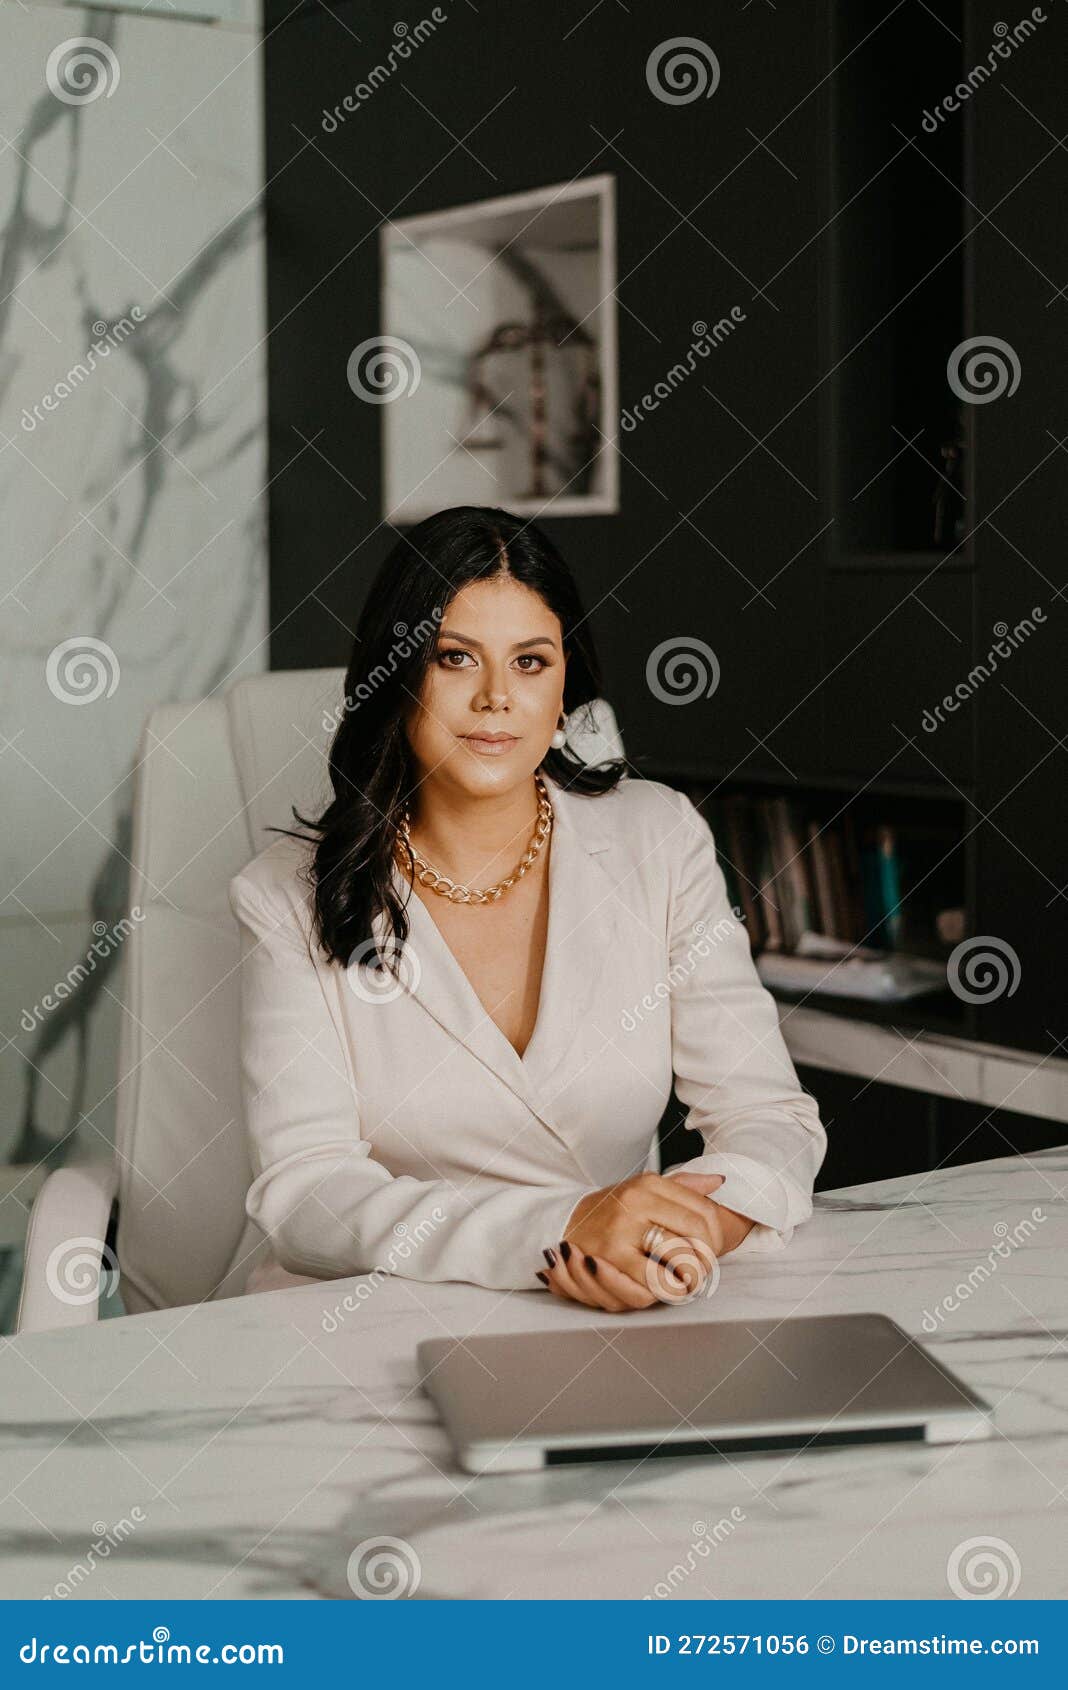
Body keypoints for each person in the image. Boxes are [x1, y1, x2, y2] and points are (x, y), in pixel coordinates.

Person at [229, 505, 826, 1312]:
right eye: (455, 658)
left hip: (623, 1300)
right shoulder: (286, 894)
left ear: (566, 684)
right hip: (367, 1316)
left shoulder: (659, 838)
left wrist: (680, 1233)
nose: (497, 699)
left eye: (532, 662)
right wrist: (567, 1225)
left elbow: (768, 1115)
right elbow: (308, 1194)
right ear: (398, 676)